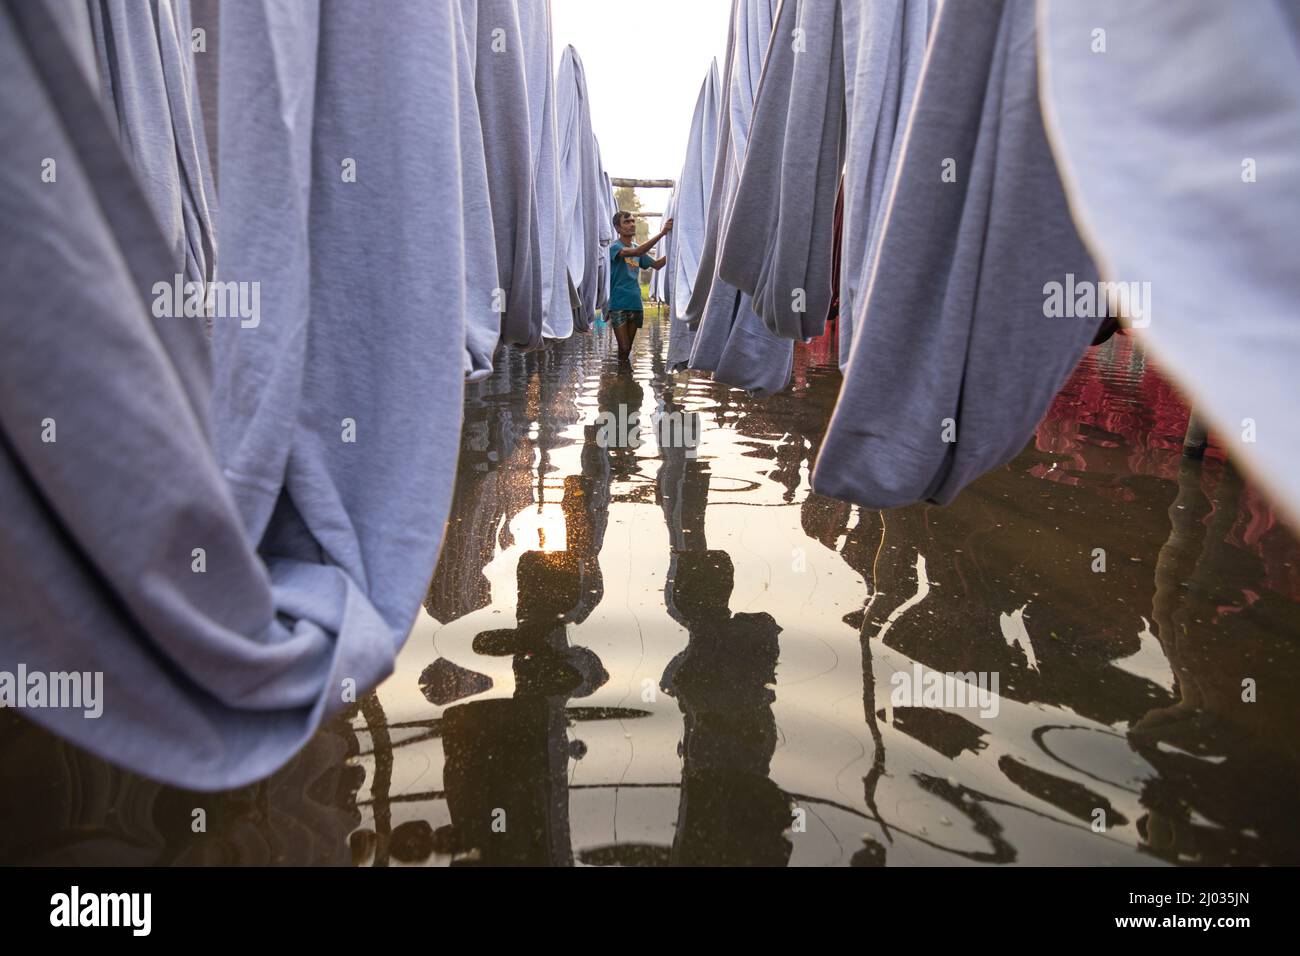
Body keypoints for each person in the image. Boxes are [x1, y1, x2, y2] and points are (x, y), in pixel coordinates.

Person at [608, 211, 672, 362]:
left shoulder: (637, 248)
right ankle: (622, 380)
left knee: (627, 349)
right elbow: (637, 251)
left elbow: (656, 265)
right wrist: (662, 233)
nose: (631, 225)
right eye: (627, 222)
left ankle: (624, 378)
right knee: (623, 348)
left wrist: (675, 250)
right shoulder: (615, 248)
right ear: (617, 228)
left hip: (635, 303)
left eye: (632, 221)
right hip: (618, 304)